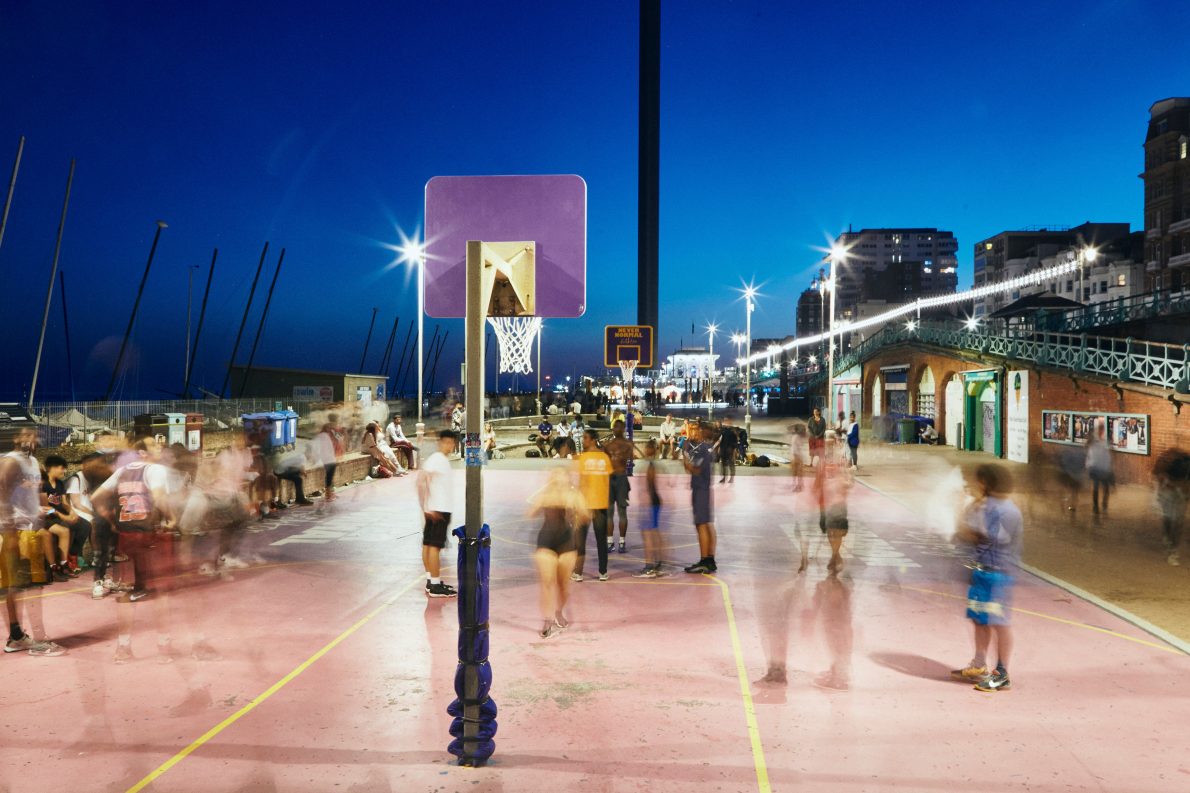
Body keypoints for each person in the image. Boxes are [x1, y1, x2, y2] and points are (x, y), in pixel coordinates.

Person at [951, 463, 1023, 693]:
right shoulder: (990, 506)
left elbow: (972, 535)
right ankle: (980, 664)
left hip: (997, 573)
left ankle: (1002, 673)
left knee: (998, 623)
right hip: (983, 570)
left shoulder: (998, 509)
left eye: (977, 481)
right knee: (980, 619)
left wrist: (960, 511)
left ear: (985, 483)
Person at [1, 428, 66, 656]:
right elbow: (1, 491)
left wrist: (39, 510)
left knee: (17, 586)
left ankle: (16, 637)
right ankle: (39, 641)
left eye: (34, 435)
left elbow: (27, 495)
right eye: (25, 435)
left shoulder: (32, 462)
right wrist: (8, 531)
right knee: (31, 587)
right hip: (18, 532)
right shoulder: (12, 461)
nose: (30, 439)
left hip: (28, 529)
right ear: (16, 439)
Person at [529, 468, 585, 638]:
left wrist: (575, 509)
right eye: (555, 475)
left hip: (567, 542)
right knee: (547, 582)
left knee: (562, 585)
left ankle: (558, 611)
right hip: (546, 541)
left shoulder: (574, 495)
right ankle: (547, 619)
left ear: (568, 479)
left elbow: (586, 515)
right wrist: (544, 499)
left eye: (562, 475)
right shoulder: (545, 494)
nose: (558, 478)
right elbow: (531, 513)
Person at [418, 430, 458, 597]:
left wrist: (426, 507)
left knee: (428, 544)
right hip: (438, 509)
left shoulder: (437, 460)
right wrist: (427, 506)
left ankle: (430, 580)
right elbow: (421, 481)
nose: (449, 446)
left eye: (452, 443)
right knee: (434, 547)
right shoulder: (438, 459)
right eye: (446, 442)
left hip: (434, 508)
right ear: (440, 442)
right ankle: (434, 585)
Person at [574, 429, 612, 582]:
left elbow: (583, 483)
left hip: (586, 504)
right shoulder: (604, 458)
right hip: (601, 504)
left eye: (585, 438)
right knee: (601, 540)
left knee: (580, 540)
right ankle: (603, 572)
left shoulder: (584, 458)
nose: (583, 441)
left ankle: (578, 572)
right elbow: (608, 479)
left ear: (592, 440)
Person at [40, 454, 84, 579]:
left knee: (83, 525)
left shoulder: (60, 483)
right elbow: (46, 510)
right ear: (52, 468)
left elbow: (64, 503)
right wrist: (63, 517)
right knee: (64, 529)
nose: (64, 471)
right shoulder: (43, 484)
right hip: (46, 518)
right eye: (61, 468)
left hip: (58, 516)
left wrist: (72, 512)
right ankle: (59, 565)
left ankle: (68, 558)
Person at [683, 422, 717, 573]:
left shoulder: (703, 450)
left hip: (701, 489)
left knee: (701, 524)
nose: (694, 433)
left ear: (703, 432)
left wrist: (684, 457)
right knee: (707, 524)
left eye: (697, 430)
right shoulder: (707, 448)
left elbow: (694, 469)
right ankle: (710, 558)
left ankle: (704, 560)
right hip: (703, 488)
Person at [815, 435, 852, 573]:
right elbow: (818, 483)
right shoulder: (821, 462)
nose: (829, 447)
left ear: (835, 444)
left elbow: (849, 480)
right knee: (830, 532)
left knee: (837, 531)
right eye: (827, 444)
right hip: (826, 502)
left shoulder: (841, 460)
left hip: (839, 502)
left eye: (831, 444)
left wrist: (845, 483)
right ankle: (835, 555)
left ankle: (834, 556)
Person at [632, 439, 667, 577]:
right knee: (654, 533)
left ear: (652, 449)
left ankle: (649, 566)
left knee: (647, 535)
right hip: (654, 502)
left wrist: (646, 505)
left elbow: (651, 486)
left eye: (648, 447)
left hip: (649, 503)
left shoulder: (651, 466)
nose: (646, 449)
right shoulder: (655, 464)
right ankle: (657, 562)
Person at [603, 419, 639, 553]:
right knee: (609, 512)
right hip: (611, 478)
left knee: (622, 512)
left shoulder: (627, 444)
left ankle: (622, 542)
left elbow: (631, 457)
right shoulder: (608, 445)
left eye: (619, 427)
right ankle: (610, 541)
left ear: (623, 429)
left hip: (621, 478)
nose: (616, 429)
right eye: (615, 427)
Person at [1153, 449, 1190, 566]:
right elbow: (1160, 476)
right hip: (1168, 494)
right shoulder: (1174, 463)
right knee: (1169, 519)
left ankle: (1173, 551)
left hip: (1181, 496)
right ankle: (1167, 540)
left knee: (1178, 523)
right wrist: (1169, 485)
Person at [1085, 420, 1113, 518]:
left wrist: (1110, 465)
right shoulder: (1093, 440)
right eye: (1100, 429)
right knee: (1096, 486)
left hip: (1104, 467)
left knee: (1106, 487)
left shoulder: (1106, 441)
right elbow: (1086, 445)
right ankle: (1095, 506)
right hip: (1094, 466)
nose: (1101, 431)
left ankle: (1104, 505)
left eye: (1102, 429)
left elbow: (1110, 452)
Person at [716, 417, 739, 483]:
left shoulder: (733, 431)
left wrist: (735, 450)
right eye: (725, 421)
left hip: (730, 450)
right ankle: (724, 478)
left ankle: (732, 478)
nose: (726, 422)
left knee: (731, 464)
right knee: (723, 464)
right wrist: (719, 448)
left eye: (727, 421)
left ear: (730, 421)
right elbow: (721, 440)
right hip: (723, 449)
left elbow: (735, 441)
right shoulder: (723, 430)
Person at [789, 422, 808, 493]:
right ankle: (798, 485)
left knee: (797, 472)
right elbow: (794, 448)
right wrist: (796, 457)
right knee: (797, 472)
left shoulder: (797, 437)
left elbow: (796, 448)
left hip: (797, 456)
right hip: (796, 456)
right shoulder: (796, 437)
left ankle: (799, 485)